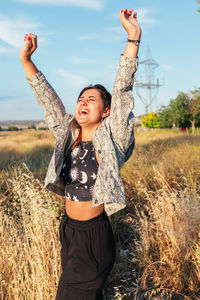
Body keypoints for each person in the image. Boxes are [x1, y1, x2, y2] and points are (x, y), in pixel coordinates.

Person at [20, 8, 141, 300]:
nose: (83, 103)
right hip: (69, 231)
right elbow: (47, 100)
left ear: (107, 111)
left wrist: (133, 38)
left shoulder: (114, 139)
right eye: (80, 99)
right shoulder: (67, 133)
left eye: (91, 100)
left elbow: (122, 90)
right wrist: (26, 59)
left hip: (94, 237)